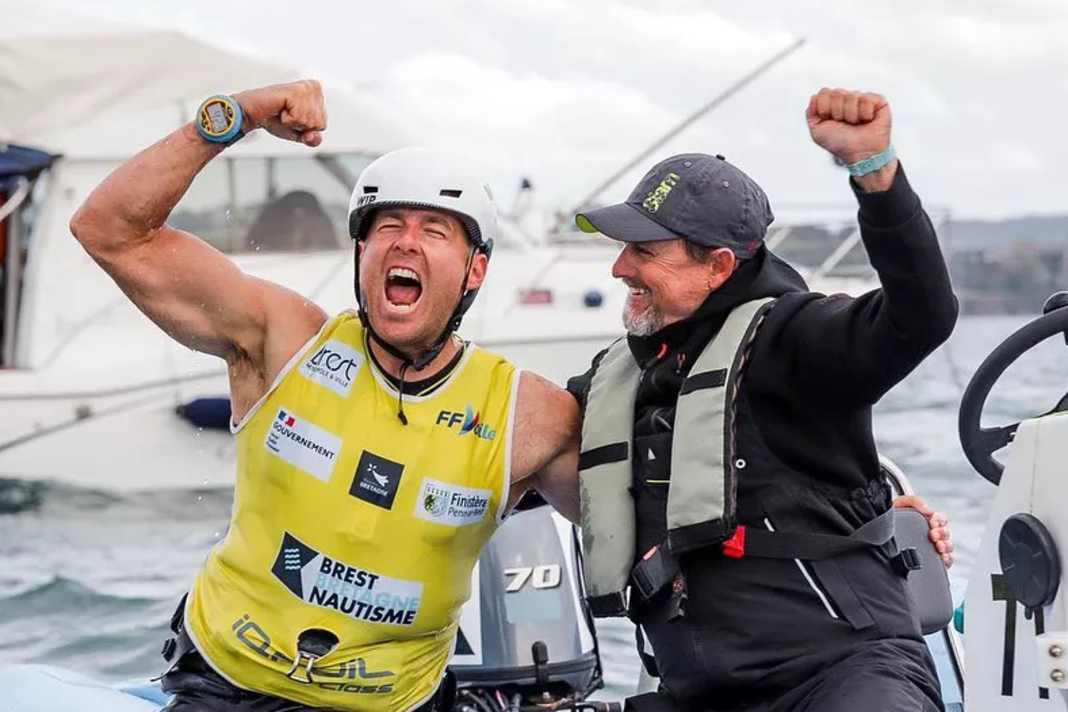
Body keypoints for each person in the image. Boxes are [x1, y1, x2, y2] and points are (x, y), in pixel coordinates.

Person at [69, 80, 579, 711]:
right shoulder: (283, 341)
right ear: (362, 251)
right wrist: (241, 115)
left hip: (392, 702)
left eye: (435, 231)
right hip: (227, 686)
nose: (406, 242)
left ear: (476, 270)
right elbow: (110, 230)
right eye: (387, 225)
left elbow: (641, 533)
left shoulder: (529, 414)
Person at [556, 88, 957, 711]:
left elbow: (922, 316)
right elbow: (513, 435)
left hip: (841, 676)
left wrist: (875, 175)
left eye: (645, 252)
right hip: (698, 693)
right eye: (622, 248)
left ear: (717, 266)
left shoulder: (797, 340)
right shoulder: (619, 375)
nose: (620, 269)